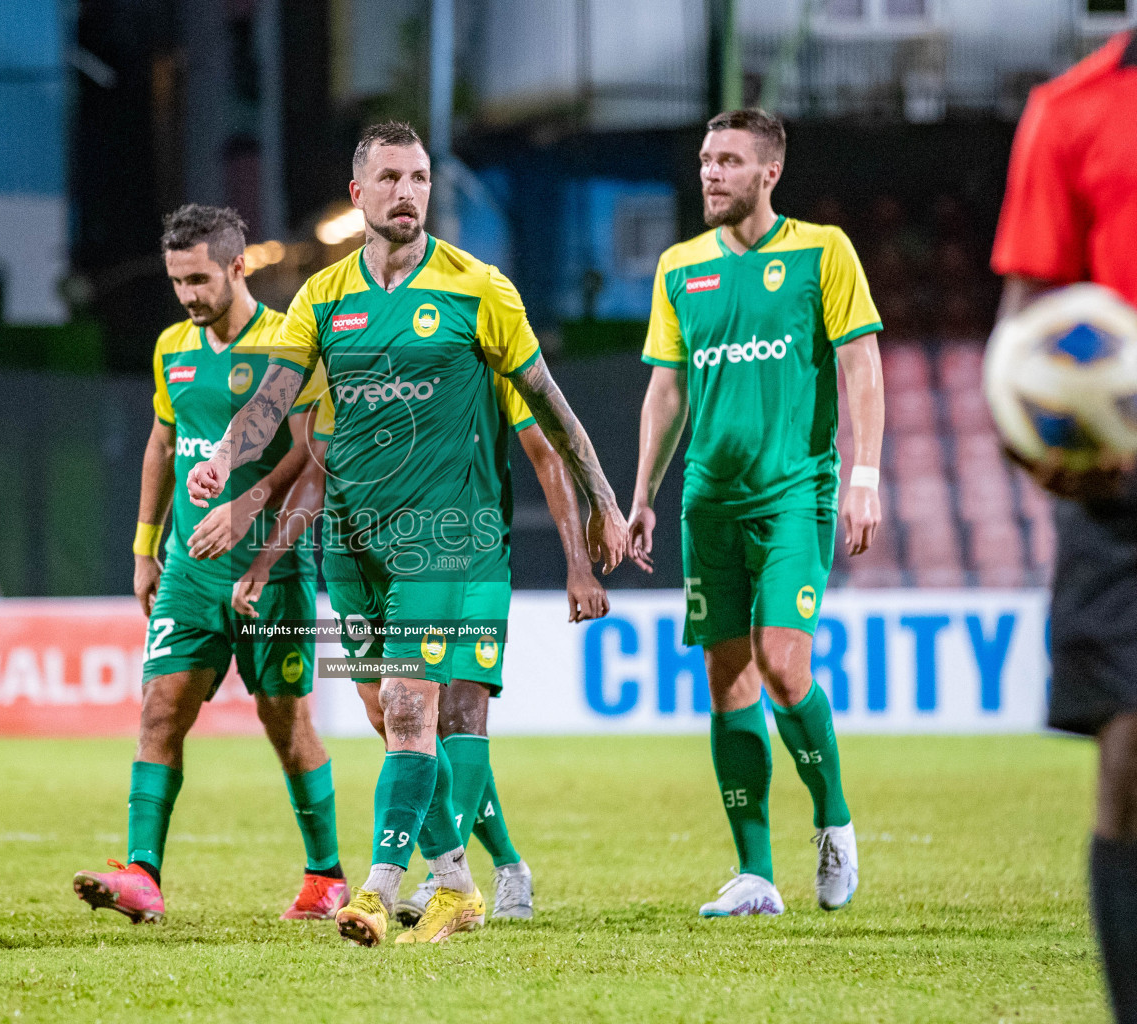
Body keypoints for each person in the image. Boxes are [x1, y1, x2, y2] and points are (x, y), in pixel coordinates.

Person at [188, 121, 628, 946]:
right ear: (359, 196)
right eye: (390, 178)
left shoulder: (479, 289)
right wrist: (221, 457)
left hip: (447, 538)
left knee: (416, 707)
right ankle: (463, 880)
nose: (407, 193)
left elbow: (552, 414)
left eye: (420, 178)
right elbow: (274, 404)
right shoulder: (322, 298)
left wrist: (603, 502)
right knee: (400, 721)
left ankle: (377, 890)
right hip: (352, 548)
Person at [625, 109, 885, 918]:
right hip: (710, 503)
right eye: (706, 159)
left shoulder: (822, 250)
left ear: (768, 173)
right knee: (726, 678)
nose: (711, 173)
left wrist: (866, 474)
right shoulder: (680, 266)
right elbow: (665, 390)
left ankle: (834, 820)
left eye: (729, 161)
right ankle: (755, 874)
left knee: (782, 662)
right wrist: (641, 495)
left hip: (792, 496)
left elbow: (861, 366)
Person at [236, 374, 612, 927]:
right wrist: (265, 560)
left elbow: (546, 453)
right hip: (382, 562)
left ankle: (433, 879)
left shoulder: (490, 361)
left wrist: (577, 565)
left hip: (476, 553)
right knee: (404, 718)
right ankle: (500, 863)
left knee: (459, 710)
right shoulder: (359, 370)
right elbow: (317, 468)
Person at [72, 204, 344, 924]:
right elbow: (162, 446)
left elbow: (313, 458)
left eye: (198, 280)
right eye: (176, 282)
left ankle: (327, 877)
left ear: (237, 265)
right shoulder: (172, 347)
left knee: (285, 722)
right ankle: (142, 875)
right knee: (160, 711)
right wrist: (143, 548)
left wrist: (265, 554)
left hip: (272, 576)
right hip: (190, 574)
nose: (188, 296)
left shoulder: (290, 342)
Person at [989, 29, 1137, 1023]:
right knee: (1130, 763)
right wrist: (1033, 430)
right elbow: (1027, 322)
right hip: (1122, 491)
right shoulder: (1071, 110)